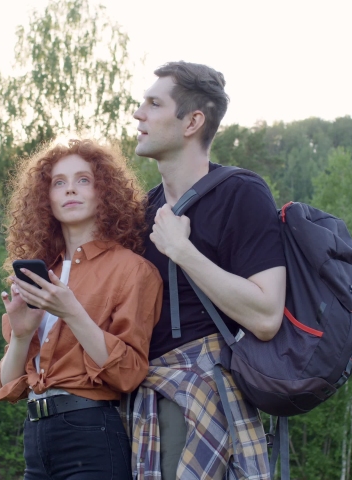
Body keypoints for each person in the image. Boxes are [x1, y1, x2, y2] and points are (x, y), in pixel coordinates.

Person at [129, 62, 287, 479]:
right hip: (144, 405)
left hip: (204, 401)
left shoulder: (241, 193)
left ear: (192, 122)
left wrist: (182, 251)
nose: (138, 114)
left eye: (154, 104)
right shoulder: (142, 211)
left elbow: (266, 315)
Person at [0, 139, 163, 480]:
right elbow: (8, 384)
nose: (70, 189)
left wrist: (71, 311)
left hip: (91, 431)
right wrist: (21, 335)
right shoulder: (40, 273)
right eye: (59, 182)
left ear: (105, 191)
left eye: (83, 179)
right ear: (45, 198)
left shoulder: (133, 270)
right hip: (36, 436)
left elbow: (129, 374)